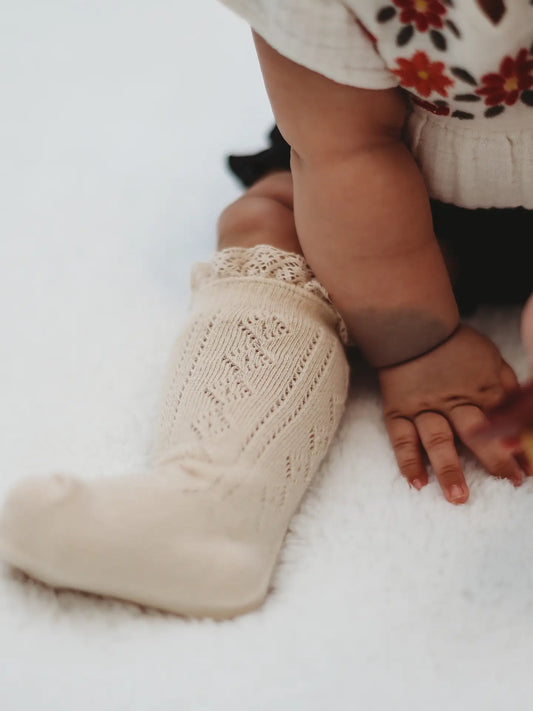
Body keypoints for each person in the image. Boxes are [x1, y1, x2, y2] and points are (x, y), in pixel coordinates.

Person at [0, 0, 531, 619]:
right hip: (392, 177)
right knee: (268, 221)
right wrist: (419, 344)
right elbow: (344, 150)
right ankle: (213, 500)